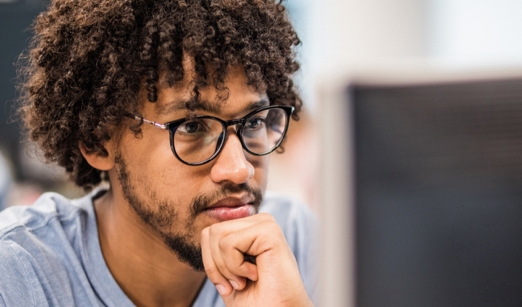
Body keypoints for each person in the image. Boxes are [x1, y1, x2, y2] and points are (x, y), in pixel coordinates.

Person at [0, 0, 317, 306]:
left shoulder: (294, 245)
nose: (239, 170)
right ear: (97, 140)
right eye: (191, 127)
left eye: (254, 122)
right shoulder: (18, 276)